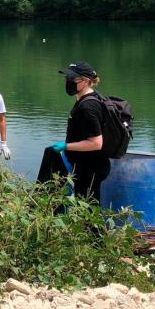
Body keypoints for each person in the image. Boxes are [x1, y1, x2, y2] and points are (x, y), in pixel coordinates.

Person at [49, 61, 111, 203]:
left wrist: (66, 146)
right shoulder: (88, 99)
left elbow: (96, 143)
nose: (68, 81)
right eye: (67, 78)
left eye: (72, 78)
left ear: (86, 81)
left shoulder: (88, 107)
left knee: (88, 211)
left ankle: (93, 227)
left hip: (91, 168)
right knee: (83, 207)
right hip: (86, 166)